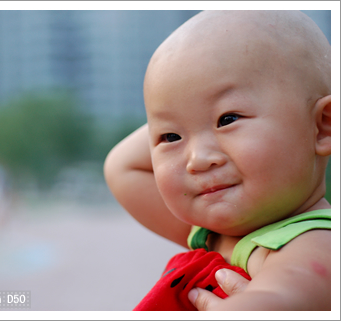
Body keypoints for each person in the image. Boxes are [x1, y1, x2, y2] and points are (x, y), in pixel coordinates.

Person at [104, 10, 331, 311]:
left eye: (227, 119)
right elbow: (120, 167)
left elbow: (283, 301)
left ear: (322, 126)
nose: (197, 160)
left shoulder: (312, 241)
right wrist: (185, 103)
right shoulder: (209, 234)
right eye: (171, 137)